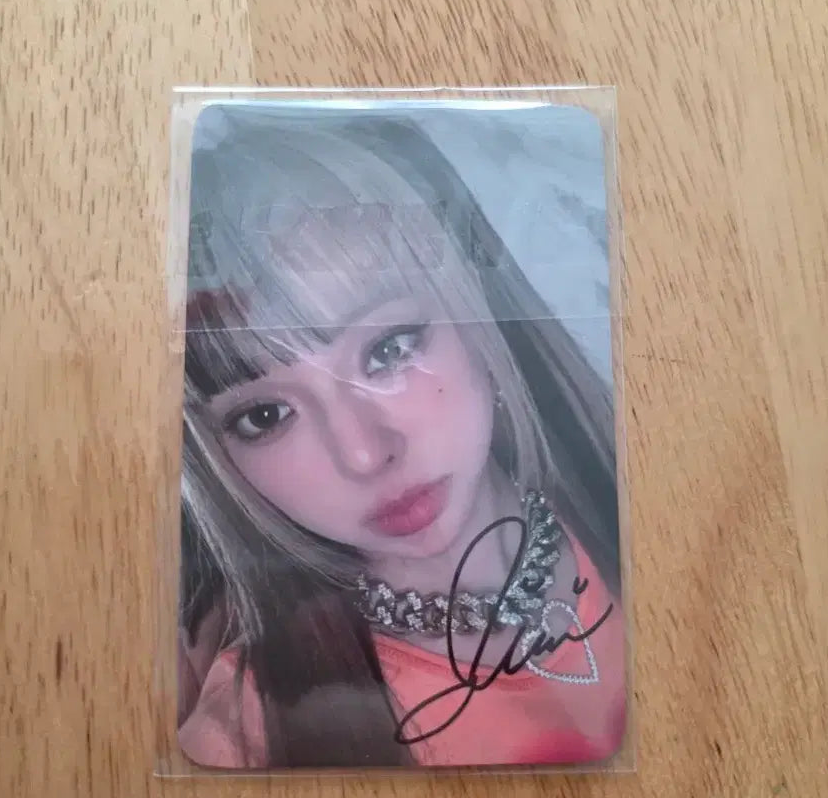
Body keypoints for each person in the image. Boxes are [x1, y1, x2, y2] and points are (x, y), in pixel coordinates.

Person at [176, 103, 626, 769]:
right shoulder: (244, 743)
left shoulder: (651, 500)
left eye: (389, 348)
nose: (364, 454)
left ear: (477, 316)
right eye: (265, 416)